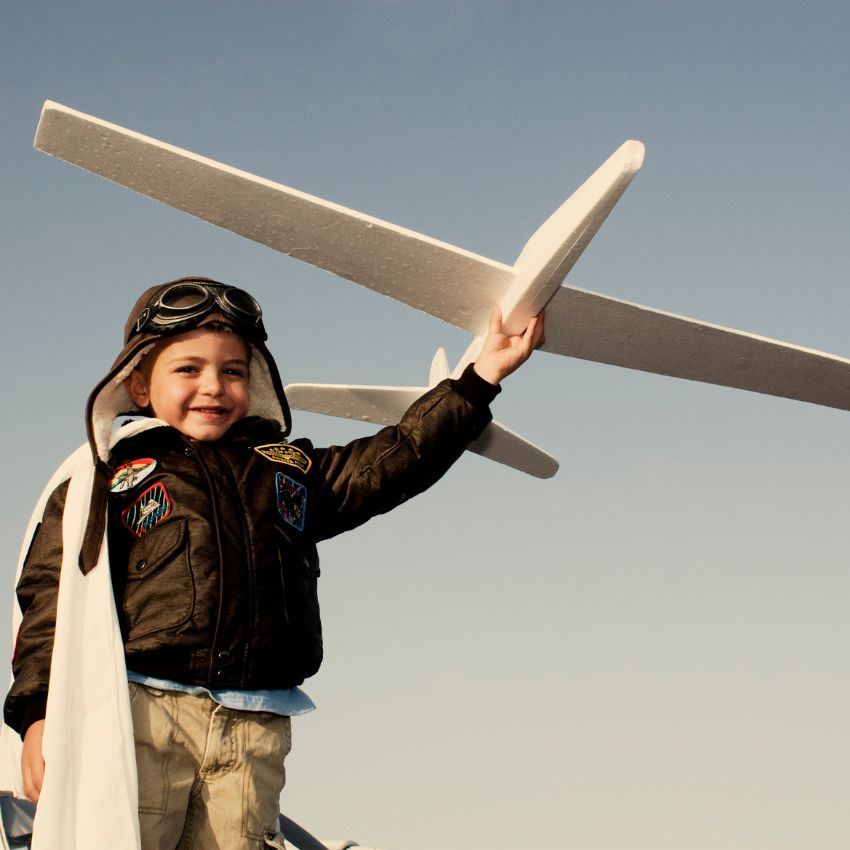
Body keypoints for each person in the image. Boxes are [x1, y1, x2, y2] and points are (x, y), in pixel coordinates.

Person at [2, 276, 543, 849]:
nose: (213, 386)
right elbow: (51, 597)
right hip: (141, 717)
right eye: (188, 369)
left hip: (252, 725)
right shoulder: (104, 478)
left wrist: (480, 378)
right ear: (138, 383)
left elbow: (394, 460)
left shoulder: (286, 470)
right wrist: (38, 717)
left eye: (232, 370)